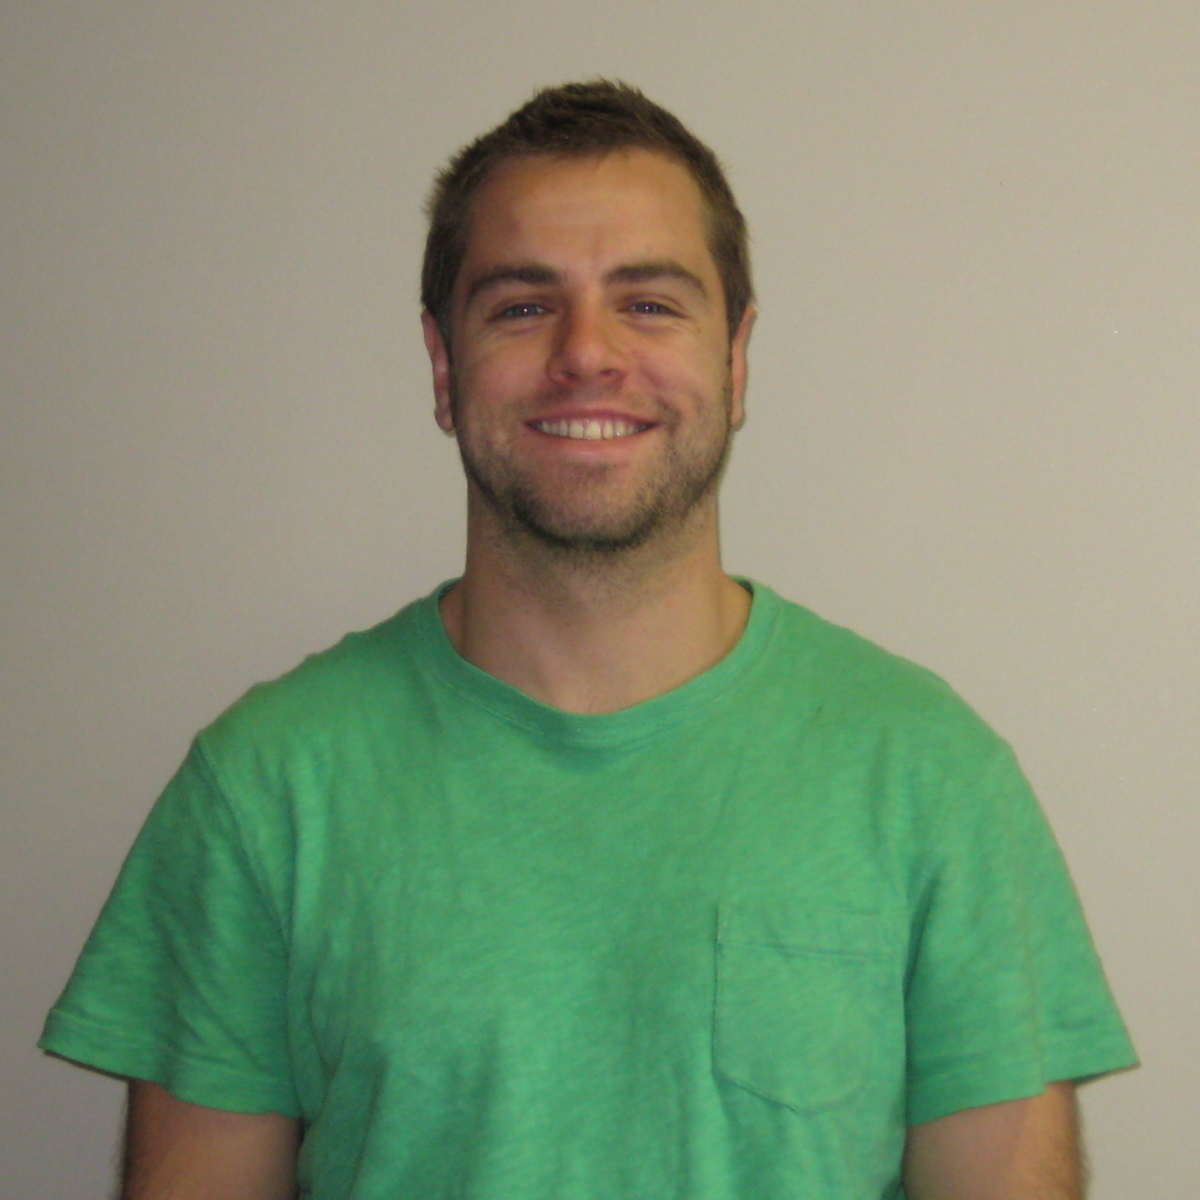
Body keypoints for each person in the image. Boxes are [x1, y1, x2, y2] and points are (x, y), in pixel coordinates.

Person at [41, 80, 1135, 1200]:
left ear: (736, 360)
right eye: (523, 307)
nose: (588, 354)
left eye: (649, 304)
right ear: (442, 366)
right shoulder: (268, 788)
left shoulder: (931, 778)